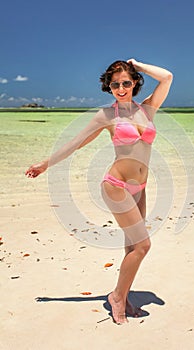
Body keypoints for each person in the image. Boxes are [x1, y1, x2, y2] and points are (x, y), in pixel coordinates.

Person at [25, 58, 173, 324]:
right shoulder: (106, 116)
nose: (121, 88)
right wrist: (45, 164)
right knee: (143, 245)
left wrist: (137, 64)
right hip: (116, 187)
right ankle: (116, 296)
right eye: (115, 84)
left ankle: (124, 296)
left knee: (132, 247)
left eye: (126, 82)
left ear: (135, 82)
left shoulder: (147, 109)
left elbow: (167, 77)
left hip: (140, 188)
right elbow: (75, 143)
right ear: (109, 87)